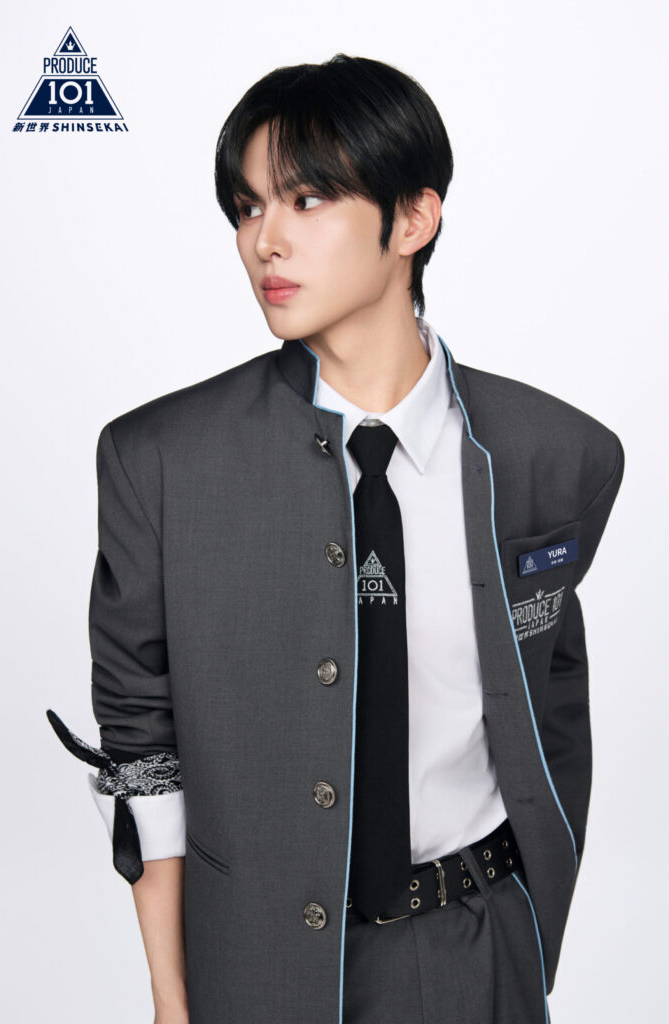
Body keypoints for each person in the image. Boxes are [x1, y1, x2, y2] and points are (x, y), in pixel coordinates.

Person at [46, 53, 624, 1024]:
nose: (263, 240)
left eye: (306, 199)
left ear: (413, 219)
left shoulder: (557, 456)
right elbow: (142, 745)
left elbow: (550, 703)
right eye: (246, 207)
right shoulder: (160, 461)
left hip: (480, 952)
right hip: (257, 967)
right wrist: (172, 998)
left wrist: (527, 934)